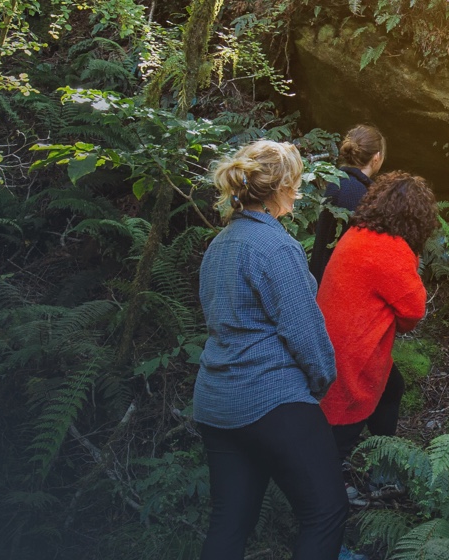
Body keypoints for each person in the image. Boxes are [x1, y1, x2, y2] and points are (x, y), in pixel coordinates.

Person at [192, 140, 345, 560]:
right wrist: (321, 383)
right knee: (326, 513)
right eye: (294, 184)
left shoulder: (219, 245)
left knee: (229, 522)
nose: (297, 193)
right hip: (272, 400)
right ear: (281, 188)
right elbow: (305, 331)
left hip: (215, 403)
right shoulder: (276, 247)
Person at [318, 171, 436, 461]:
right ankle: (330, 497)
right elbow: (413, 312)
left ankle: (384, 457)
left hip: (324, 346)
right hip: (349, 359)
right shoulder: (392, 250)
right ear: (418, 220)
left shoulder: (359, 232)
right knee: (339, 436)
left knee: (392, 387)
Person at [310, 125, 387, 283]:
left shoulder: (336, 182)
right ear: (376, 157)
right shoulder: (363, 195)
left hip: (317, 277)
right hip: (338, 285)